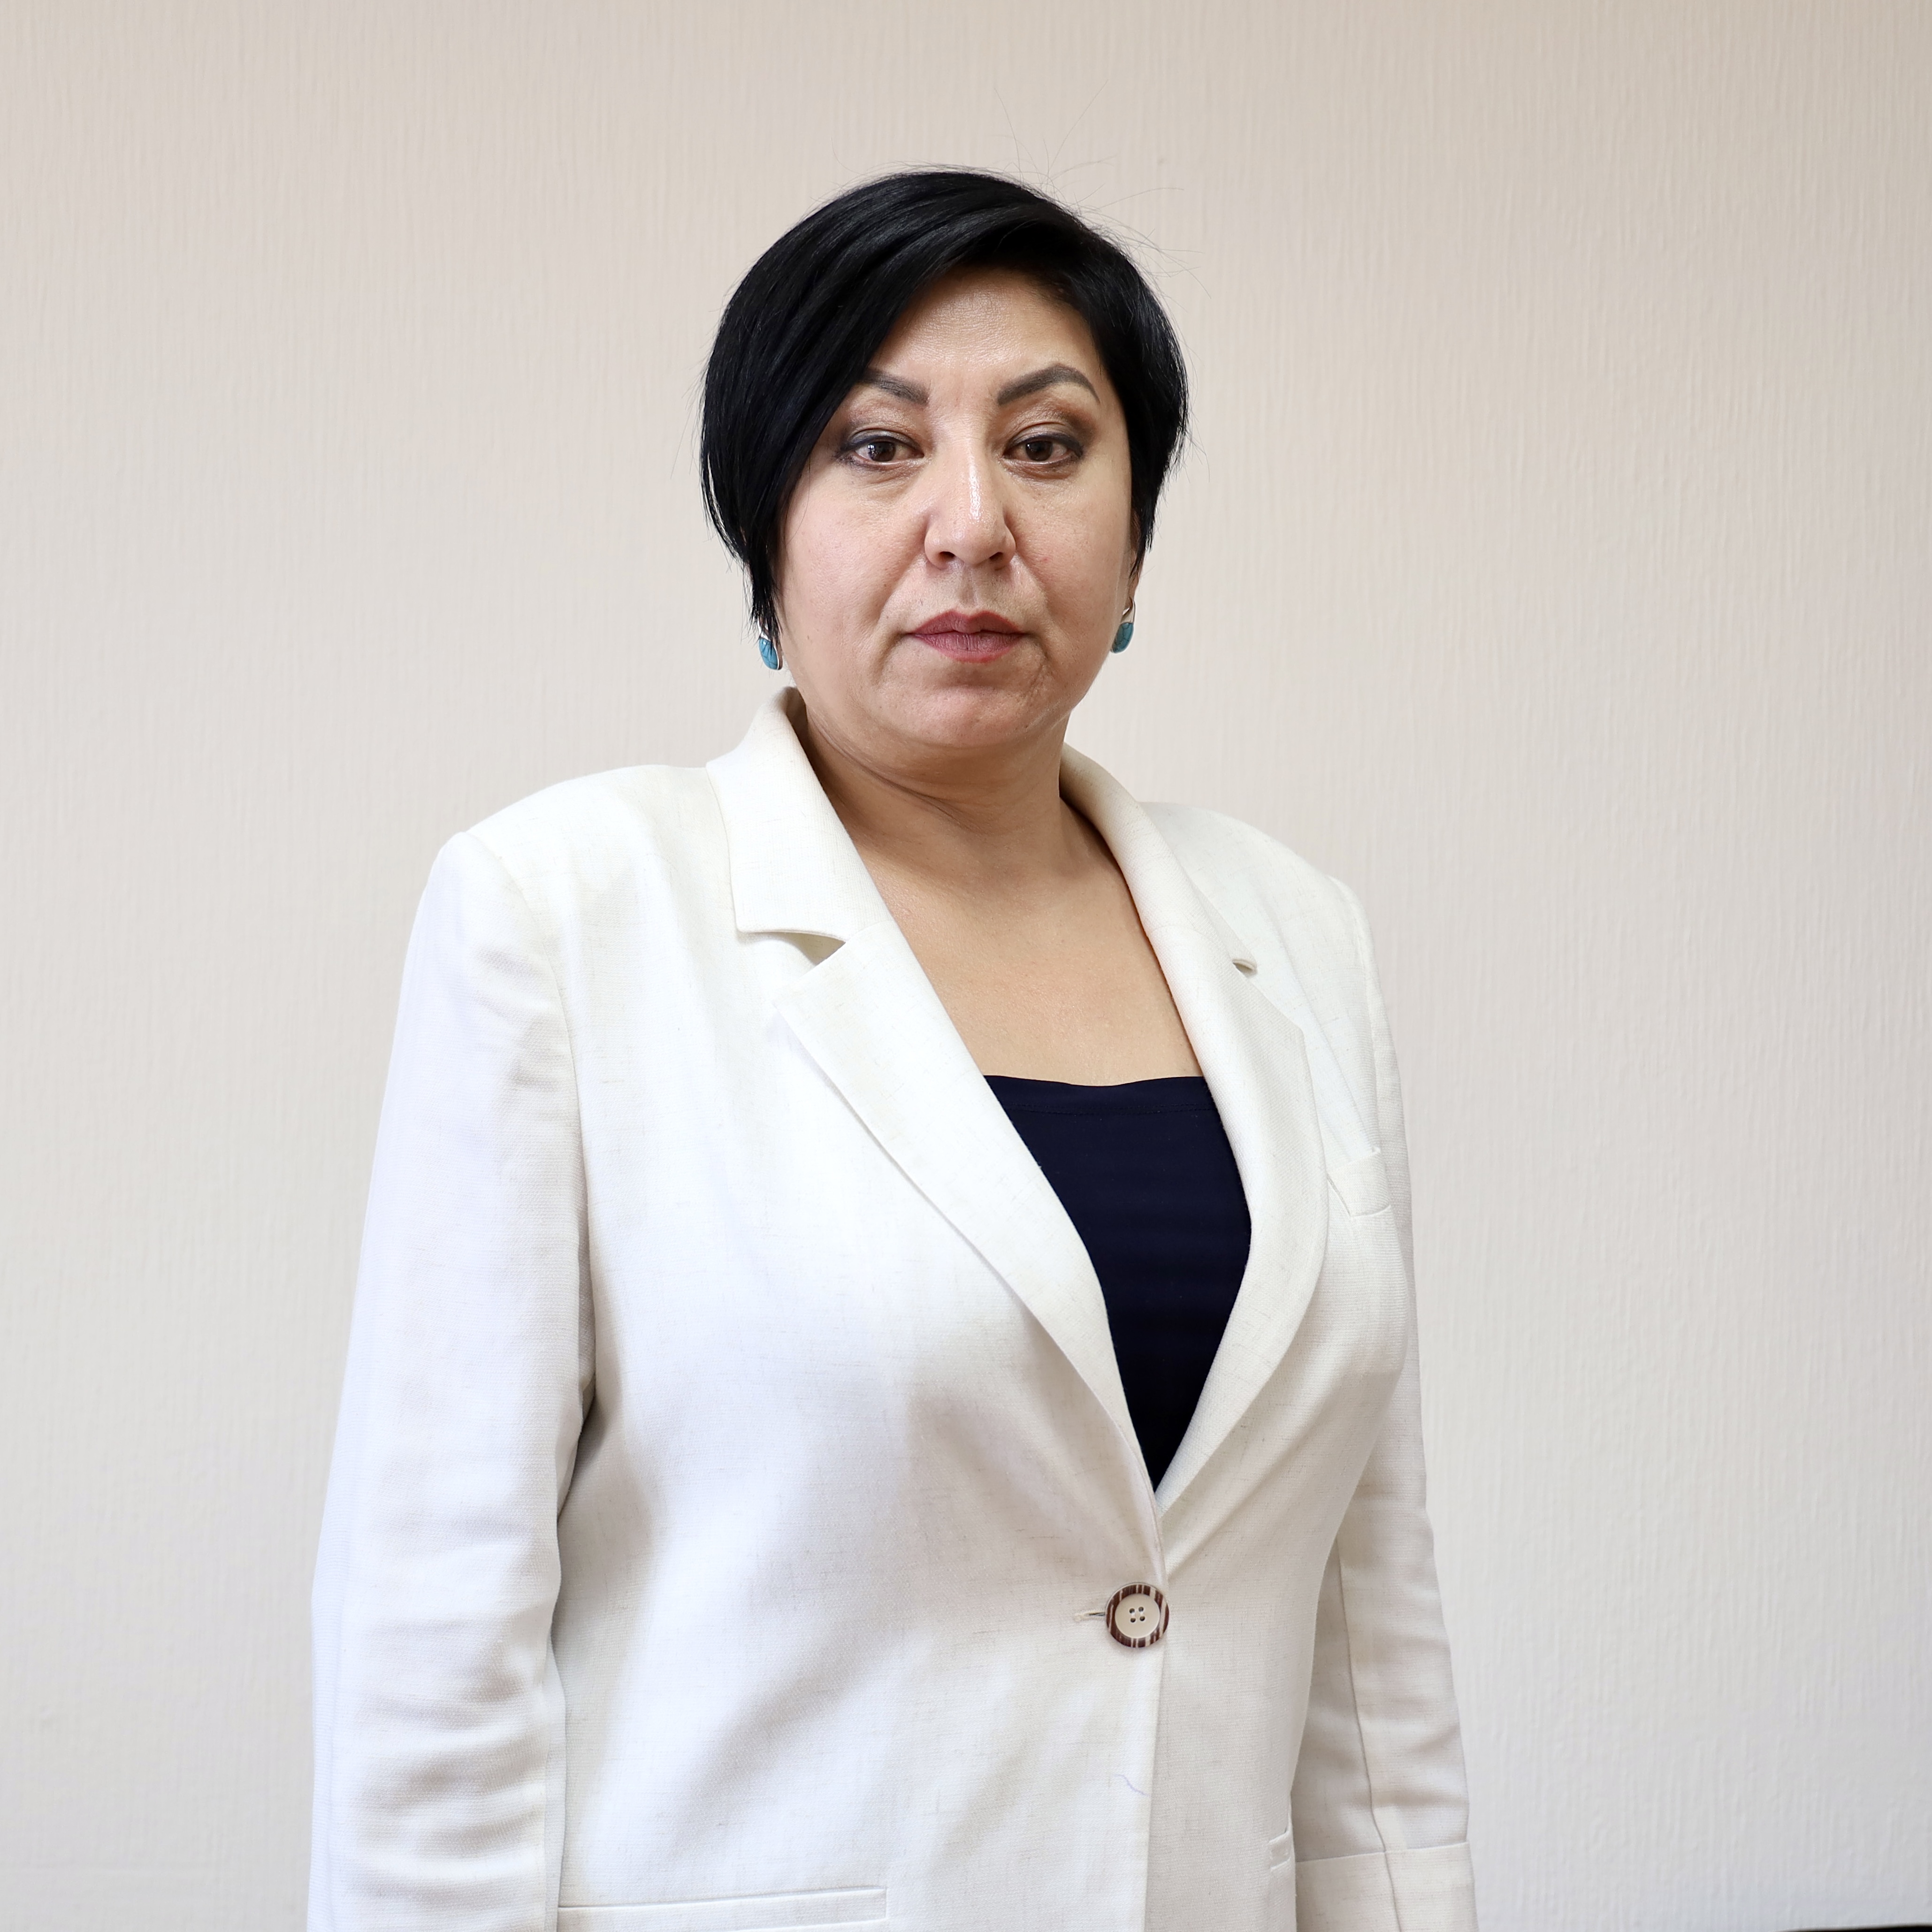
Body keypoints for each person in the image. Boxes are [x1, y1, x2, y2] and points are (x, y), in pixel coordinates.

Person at [310, 169, 1476, 1932]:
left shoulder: (1297, 932)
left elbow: (1368, 1634)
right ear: (765, 535)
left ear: (1135, 542)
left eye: (1048, 447)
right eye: (878, 446)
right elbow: (433, 1639)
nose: (972, 524)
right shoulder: (565, 912)